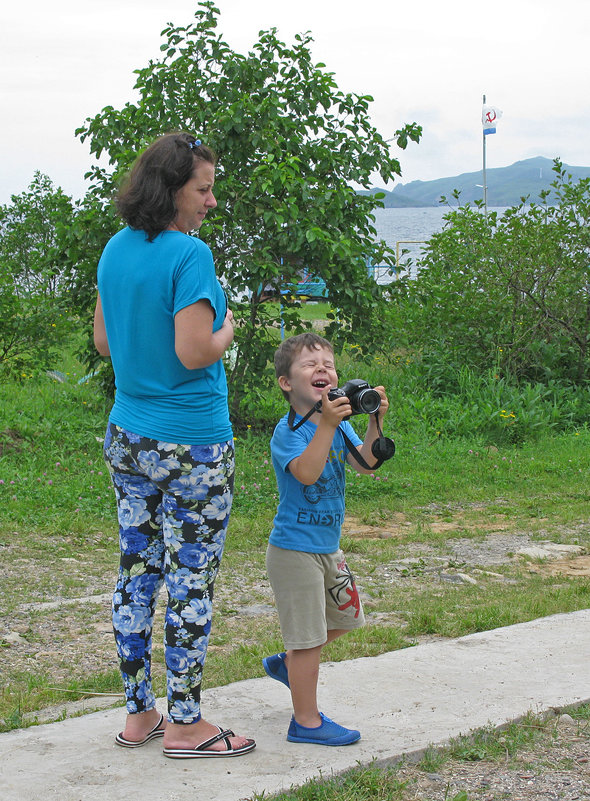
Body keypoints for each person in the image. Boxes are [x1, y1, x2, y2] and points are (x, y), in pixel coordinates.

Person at [93, 131, 255, 759]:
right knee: (192, 579)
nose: (211, 202)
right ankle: (187, 725)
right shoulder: (190, 256)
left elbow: (107, 344)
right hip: (193, 447)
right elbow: (194, 352)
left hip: (129, 436)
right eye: (204, 189)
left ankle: (140, 716)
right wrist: (228, 330)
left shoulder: (115, 249)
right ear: (172, 192)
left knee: (136, 571)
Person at [262, 332, 390, 745]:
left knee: (349, 618)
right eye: (309, 364)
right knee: (309, 641)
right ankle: (306, 722)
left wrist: (373, 420)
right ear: (286, 382)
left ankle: (288, 664)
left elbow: (369, 463)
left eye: (329, 364)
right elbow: (307, 473)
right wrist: (330, 423)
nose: (322, 369)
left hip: (327, 547)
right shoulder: (289, 432)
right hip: (293, 550)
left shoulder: (337, 425)